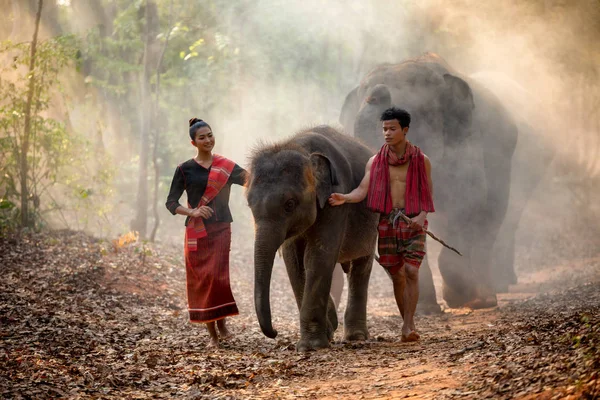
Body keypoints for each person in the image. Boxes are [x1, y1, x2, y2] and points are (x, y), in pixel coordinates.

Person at [329, 107, 434, 342]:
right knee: (397, 274)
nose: (387, 133)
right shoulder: (375, 161)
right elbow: (362, 191)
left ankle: (408, 324)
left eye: (392, 128)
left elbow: (427, 193)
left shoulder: (421, 160)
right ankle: (406, 320)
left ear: (405, 130)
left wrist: (421, 216)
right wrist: (344, 197)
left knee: (411, 271)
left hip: (413, 220)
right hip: (386, 221)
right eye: (384, 129)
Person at [165, 118, 247, 348]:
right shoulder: (184, 169)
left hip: (221, 228)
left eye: (210, 135)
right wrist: (193, 211)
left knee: (218, 277)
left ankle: (221, 324)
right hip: (197, 232)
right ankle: (213, 334)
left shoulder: (227, 167)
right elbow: (171, 203)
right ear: (193, 143)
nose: (208, 140)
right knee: (204, 278)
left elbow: (252, 180)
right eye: (202, 137)